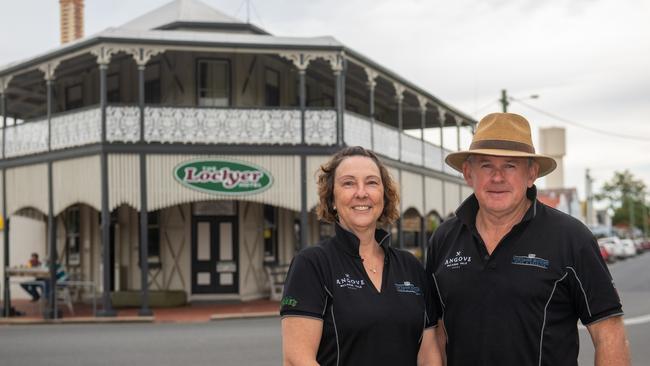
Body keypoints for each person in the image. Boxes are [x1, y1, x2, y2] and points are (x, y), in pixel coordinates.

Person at [426, 113, 630, 366]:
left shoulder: (571, 237)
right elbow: (435, 332)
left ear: (531, 173)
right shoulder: (443, 239)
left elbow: (609, 333)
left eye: (510, 165)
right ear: (469, 173)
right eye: (486, 165)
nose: (497, 177)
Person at [280, 146, 442, 366]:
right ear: (332, 199)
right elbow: (297, 359)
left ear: (383, 196)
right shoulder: (312, 264)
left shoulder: (410, 267)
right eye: (348, 183)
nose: (361, 192)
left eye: (372, 182)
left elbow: (429, 354)